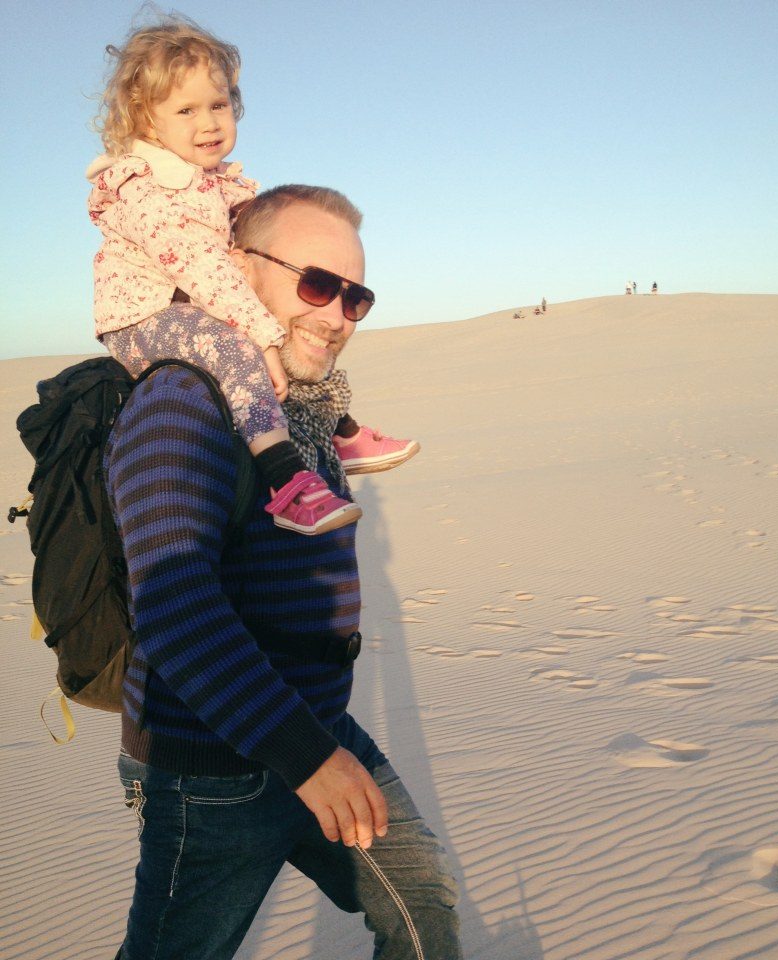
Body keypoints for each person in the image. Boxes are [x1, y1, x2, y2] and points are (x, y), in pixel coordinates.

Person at [106, 184, 463, 959]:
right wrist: (307, 758)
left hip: (317, 732)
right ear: (234, 266)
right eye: (316, 283)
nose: (336, 316)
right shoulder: (182, 399)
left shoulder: (297, 405)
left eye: (355, 297)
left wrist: (317, 747)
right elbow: (174, 609)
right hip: (212, 770)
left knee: (423, 907)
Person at [87, 15, 418, 538]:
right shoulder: (146, 190)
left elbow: (256, 228)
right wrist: (260, 335)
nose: (209, 123)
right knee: (240, 346)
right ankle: (287, 483)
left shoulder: (210, 182)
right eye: (186, 109)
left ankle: (339, 431)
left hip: (191, 305)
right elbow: (203, 265)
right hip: (143, 318)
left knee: (304, 328)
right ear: (148, 123)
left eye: (219, 105)